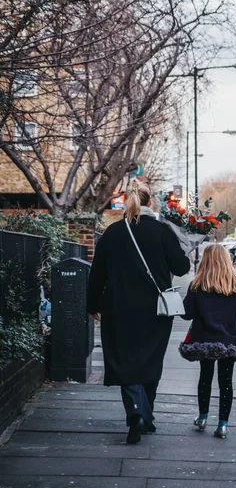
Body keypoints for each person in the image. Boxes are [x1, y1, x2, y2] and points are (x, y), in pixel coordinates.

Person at [87, 180, 190, 444]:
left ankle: (136, 412)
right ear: (149, 203)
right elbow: (181, 267)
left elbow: (97, 275)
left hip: (118, 309)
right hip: (155, 311)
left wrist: (92, 305)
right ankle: (147, 414)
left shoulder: (112, 233)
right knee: (150, 360)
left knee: (125, 361)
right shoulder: (162, 231)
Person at [179, 244, 236, 439]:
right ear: (226, 261)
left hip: (204, 339)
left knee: (205, 378)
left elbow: (187, 313)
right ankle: (223, 425)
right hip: (230, 341)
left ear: (205, 261)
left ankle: (202, 417)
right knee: (226, 382)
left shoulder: (197, 285)